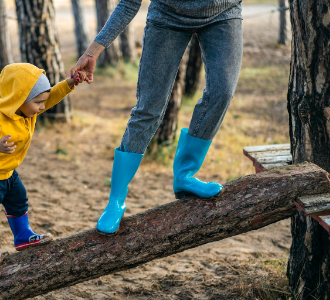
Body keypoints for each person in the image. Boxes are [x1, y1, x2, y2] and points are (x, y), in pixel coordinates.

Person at [70, 0, 243, 234]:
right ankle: (116, 201)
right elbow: (129, 3)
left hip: (224, 12)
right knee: (148, 109)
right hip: (167, 16)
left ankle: (185, 175)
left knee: (222, 93)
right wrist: (93, 51)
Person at [0, 63, 87, 270]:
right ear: (19, 99)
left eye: (42, 102)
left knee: (19, 200)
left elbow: (51, 96)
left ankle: (23, 236)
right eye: (38, 102)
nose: (42, 107)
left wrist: (70, 83)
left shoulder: (29, 111)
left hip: (8, 172)